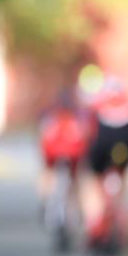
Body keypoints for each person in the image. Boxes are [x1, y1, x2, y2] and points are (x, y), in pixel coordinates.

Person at [83, 75, 128, 249]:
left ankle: (93, 226)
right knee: (123, 182)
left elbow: (89, 133)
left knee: (93, 184)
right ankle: (123, 226)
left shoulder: (98, 103)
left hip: (102, 147)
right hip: (123, 147)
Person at [37, 86, 91, 230]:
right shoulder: (78, 117)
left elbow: (43, 136)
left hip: (54, 154)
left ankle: (45, 201)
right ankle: (76, 208)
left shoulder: (51, 115)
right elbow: (85, 138)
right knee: (76, 180)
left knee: (48, 174)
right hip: (72, 156)